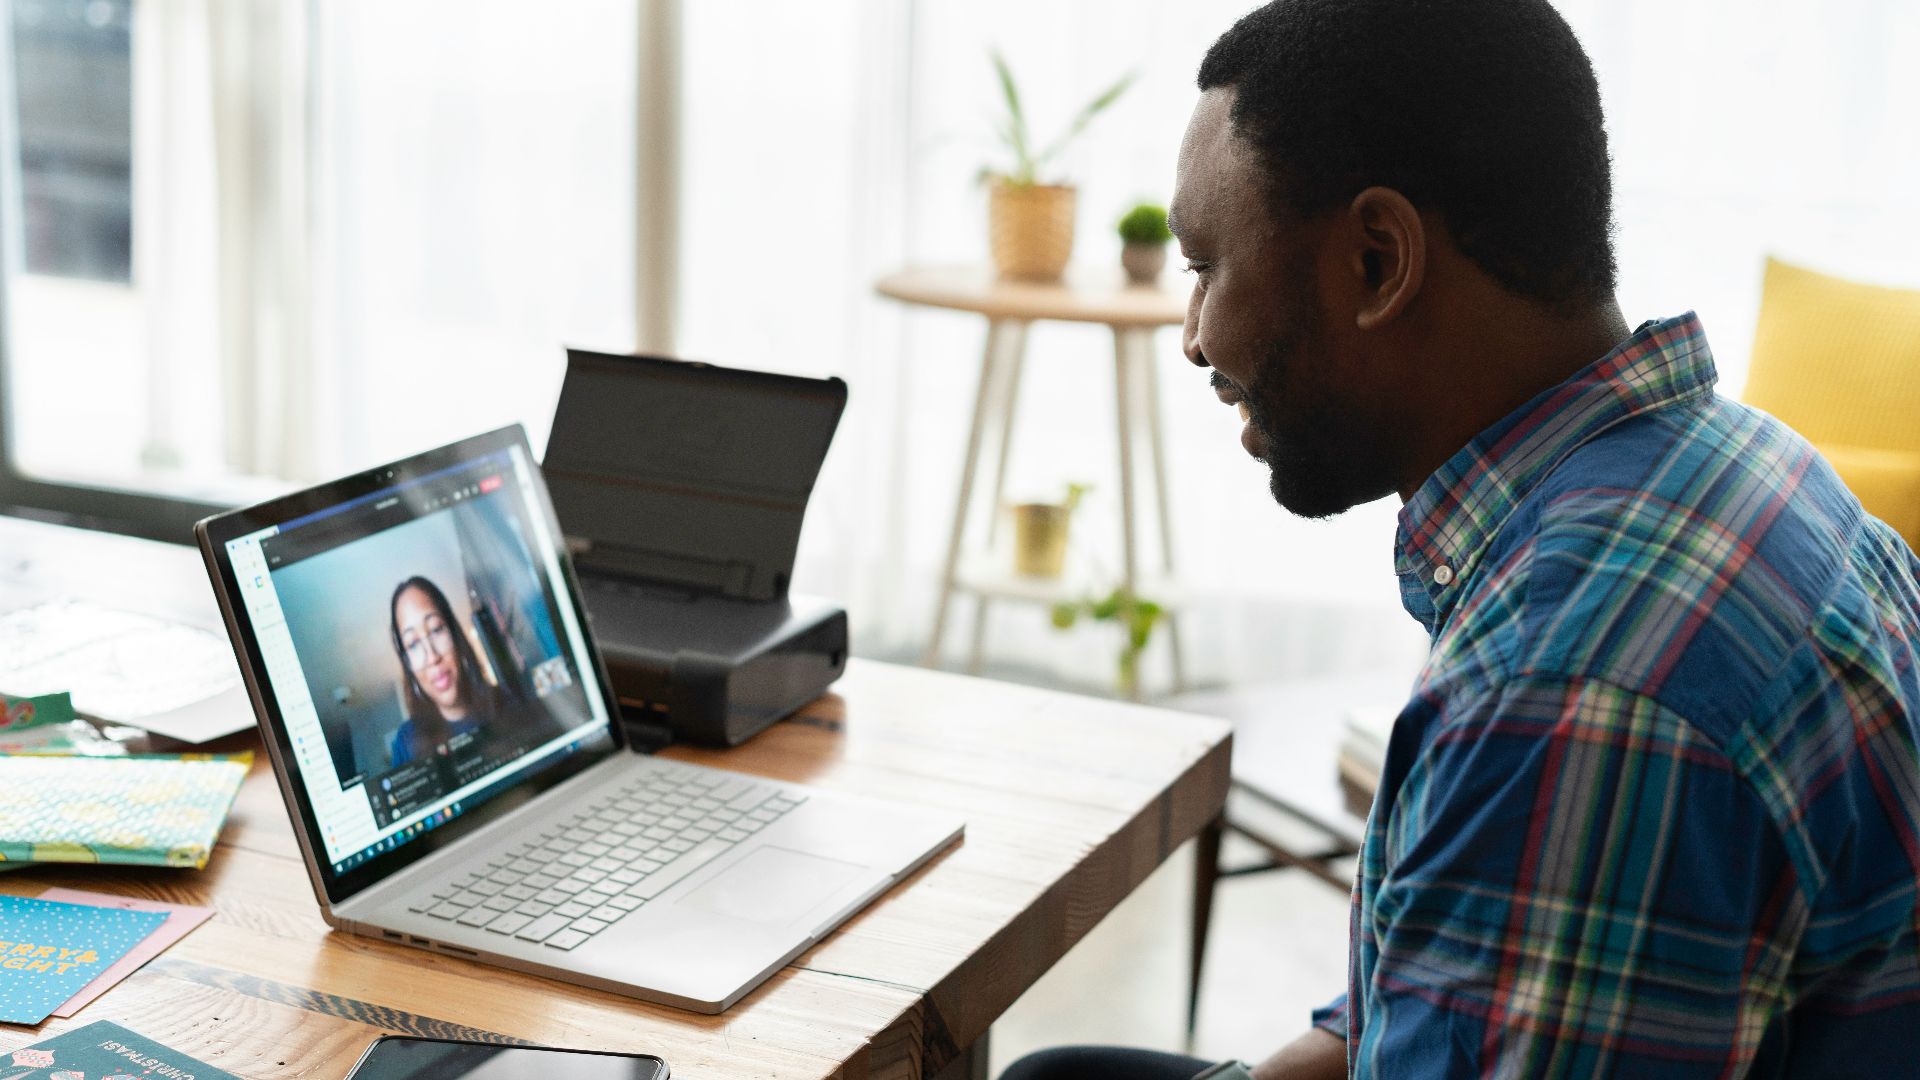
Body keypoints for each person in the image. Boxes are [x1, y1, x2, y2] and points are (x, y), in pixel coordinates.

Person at [1003, 1, 1920, 1078]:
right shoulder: (1745, 467)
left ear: (1380, 261)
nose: (1197, 334)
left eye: (1209, 264)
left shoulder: (1569, 684)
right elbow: (1453, 994)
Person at [387, 574, 511, 767]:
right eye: (413, 644)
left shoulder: (507, 700)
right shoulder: (406, 743)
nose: (432, 657)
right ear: (408, 665)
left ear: (455, 634)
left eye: (436, 629)